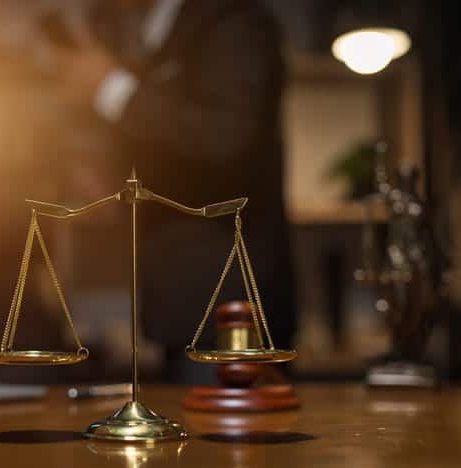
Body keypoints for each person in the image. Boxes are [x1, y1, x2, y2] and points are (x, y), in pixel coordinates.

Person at [49, 0, 295, 382]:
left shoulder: (232, 20)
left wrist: (110, 88)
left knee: (229, 437)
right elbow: (178, 146)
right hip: (180, 307)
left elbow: (226, 138)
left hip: (227, 309)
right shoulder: (155, 27)